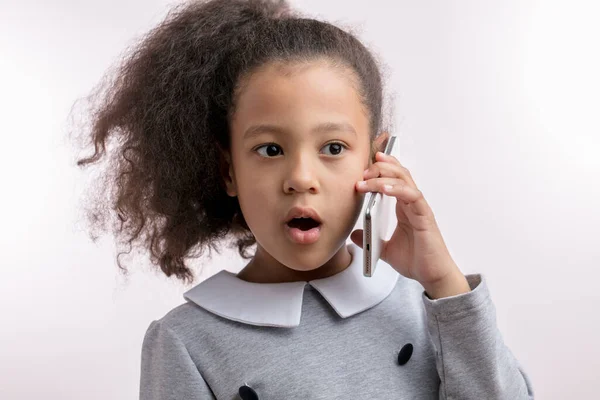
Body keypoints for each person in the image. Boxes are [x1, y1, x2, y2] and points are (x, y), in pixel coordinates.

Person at [74, 0, 535, 398]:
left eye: (333, 148)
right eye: (270, 150)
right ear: (228, 170)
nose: (300, 178)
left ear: (377, 161)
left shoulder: (430, 302)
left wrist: (445, 281)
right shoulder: (186, 341)